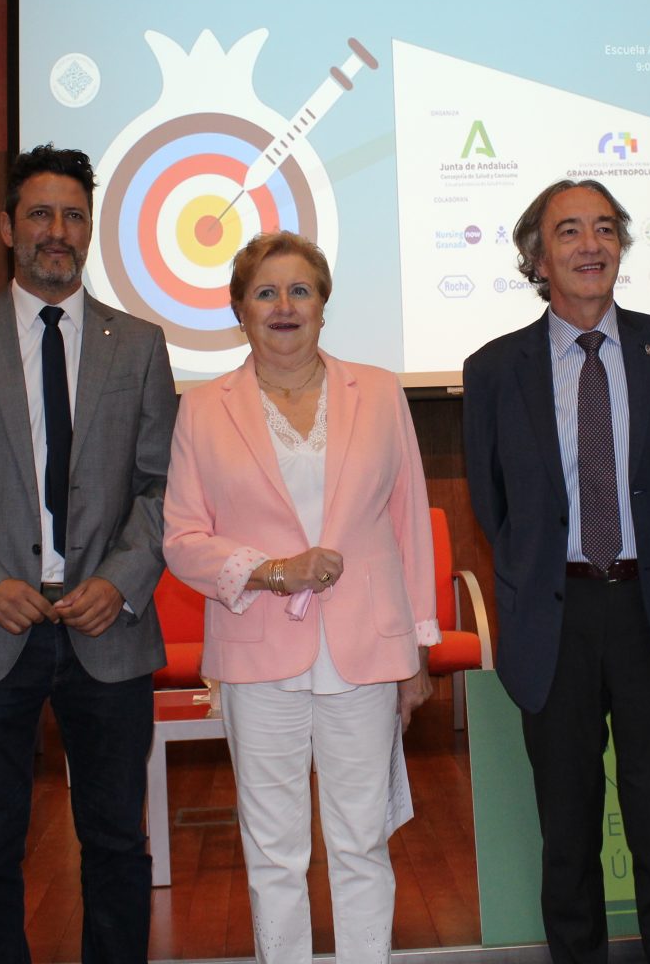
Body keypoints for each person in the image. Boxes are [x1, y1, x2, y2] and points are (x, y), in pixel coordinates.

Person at [0, 144, 176, 964]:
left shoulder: (140, 344)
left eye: (74, 216)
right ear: (7, 226)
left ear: (91, 230)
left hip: (107, 628)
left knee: (117, 840)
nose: (58, 230)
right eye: (41, 214)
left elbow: (165, 485)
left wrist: (119, 580)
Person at [162, 230, 437, 964]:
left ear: (323, 304)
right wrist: (273, 570)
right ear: (239, 311)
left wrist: (418, 649)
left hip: (367, 651)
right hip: (257, 655)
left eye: (300, 291)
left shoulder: (379, 391)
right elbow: (182, 539)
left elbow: (409, 521)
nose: (284, 306)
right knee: (274, 850)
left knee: (361, 842)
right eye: (265, 292)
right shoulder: (203, 408)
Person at [462, 178, 650, 964]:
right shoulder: (494, 369)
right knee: (568, 842)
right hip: (556, 618)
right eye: (568, 231)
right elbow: (494, 505)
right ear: (538, 259)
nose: (591, 245)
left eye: (605, 228)